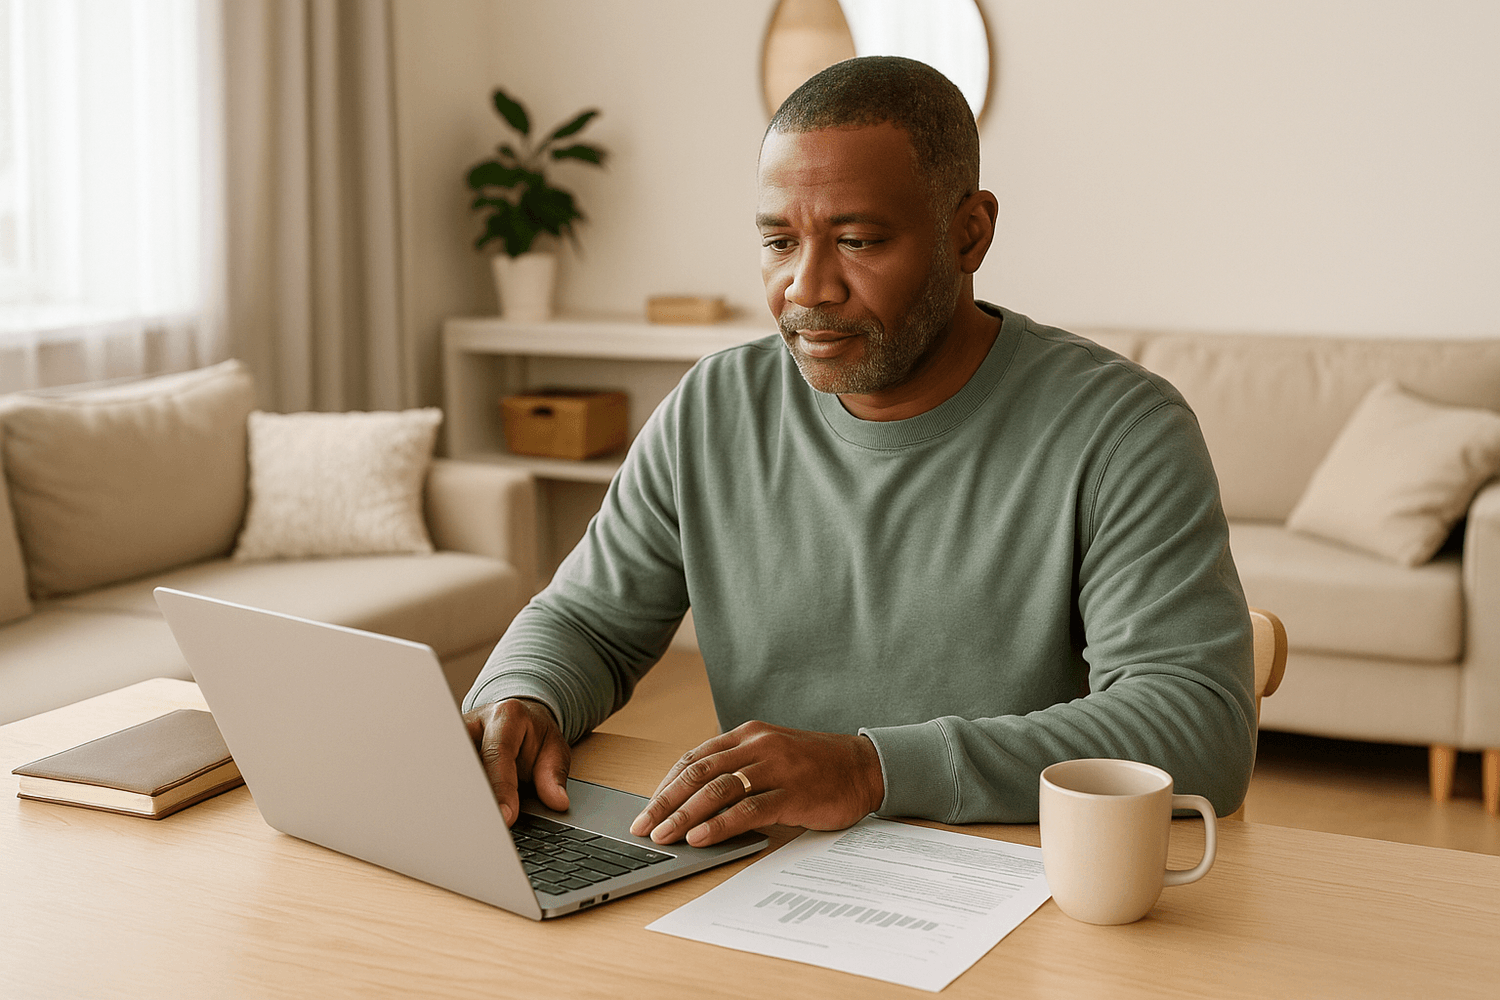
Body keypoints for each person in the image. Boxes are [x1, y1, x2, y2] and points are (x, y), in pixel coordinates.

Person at [462, 55, 1256, 849]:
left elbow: (1197, 726)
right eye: (779, 242)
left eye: (858, 240)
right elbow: (588, 621)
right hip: (769, 878)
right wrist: (524, 695)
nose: (807, 288)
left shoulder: (1121, 430)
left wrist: (870, 770)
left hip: (1014, 880)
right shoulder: (713, 409)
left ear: (969, 233)